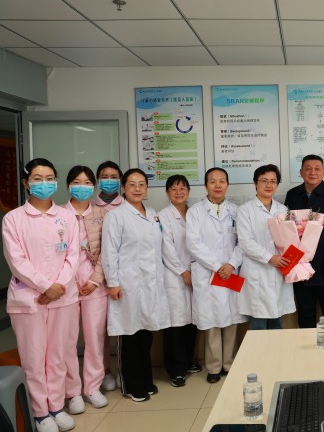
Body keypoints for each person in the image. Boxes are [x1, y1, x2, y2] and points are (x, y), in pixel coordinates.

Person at [2, 158, 79, 432]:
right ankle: (40, 413)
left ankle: (56, 406)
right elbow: (16, 260)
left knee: (58, 355)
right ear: (26, 183)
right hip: (29, 298)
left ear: (56, 181)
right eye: (37, 178)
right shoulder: (13, 219)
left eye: (49, 178)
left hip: (63, 297)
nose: (44, 183)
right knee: (34, 358)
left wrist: (58, 286)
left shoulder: (67, 217)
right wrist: (46, 286)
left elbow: (73, 255)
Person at [101, 168, 170, 402]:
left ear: (147, 188)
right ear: (123, 187)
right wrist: (112, 283)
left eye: (141, 184)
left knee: (145, 334)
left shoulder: (152, 214)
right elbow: (109, 252)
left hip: (150, 283)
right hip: (127, 284)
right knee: (129, 335)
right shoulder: (116, 216)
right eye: (132, 184)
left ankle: (145, 379)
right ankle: (130, 385)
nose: (137, 188)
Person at [186, 167, 244, 383]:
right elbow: (193, 244)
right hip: (208, 272)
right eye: (212, 181)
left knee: (231, 320)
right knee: (210, 321)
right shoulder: (195, 212)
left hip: (231, 271)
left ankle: (229, 364)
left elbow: (243, 242)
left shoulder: (237, 211)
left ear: (227, 184)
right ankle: (213, 366)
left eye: (222, 181)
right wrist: (218, 266)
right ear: (205, 186)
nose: (217, 185)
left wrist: (231, 264)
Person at [62, 166, 110, 413]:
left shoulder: (103, 214)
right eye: (77, 182)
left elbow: (108, 251)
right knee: (67, 341)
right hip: (66, 287)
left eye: (87, 182)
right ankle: (72, 392)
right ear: (68, 185)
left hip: (95, 286)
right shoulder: (58, 214)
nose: (82, 187)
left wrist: (94, 280)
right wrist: (67, 282)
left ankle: (92, 387)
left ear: (94, 186)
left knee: (95, 339)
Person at [284, 155, 324, 328]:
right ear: (301, 172)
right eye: (308, 168)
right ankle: (307, 347)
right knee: (305, 314)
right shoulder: (292, 195)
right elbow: (286, 230)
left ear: (323, 172)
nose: (312, 172)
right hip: (300, 265)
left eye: (317, 168)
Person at [237, 164, 295, 330]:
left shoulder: (283, 209)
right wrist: (270, 258)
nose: (269, 185)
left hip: (279, 270)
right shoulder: (245, 210)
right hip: (257, 272)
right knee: (258, 325)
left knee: (277, 323)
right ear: (255, 183)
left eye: (273, 181)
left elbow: (290, 239)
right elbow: (245, 242)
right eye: (264, 181)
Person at [159, 175, 201, 388]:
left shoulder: (194, 213)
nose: (178, 192)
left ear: (188, 191)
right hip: (175, 276)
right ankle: (176, 370)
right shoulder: (163, 216)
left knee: (192, 321)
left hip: (196, 273)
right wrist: (183, 271)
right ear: (167, 192)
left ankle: (188, 361)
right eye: (174, 189)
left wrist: (194, 271)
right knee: (175, 323)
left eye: (183, 188)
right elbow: (166, 248)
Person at [91, 160, 123, 392]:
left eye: (114, 177)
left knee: (122, 327)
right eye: (104, 176)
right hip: (96, 279)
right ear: (97, 180)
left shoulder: (128, 205)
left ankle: (122, 369)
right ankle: (104, 371)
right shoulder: (90, 207)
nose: (109, 180)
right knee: (99, 331)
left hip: (122, 277)